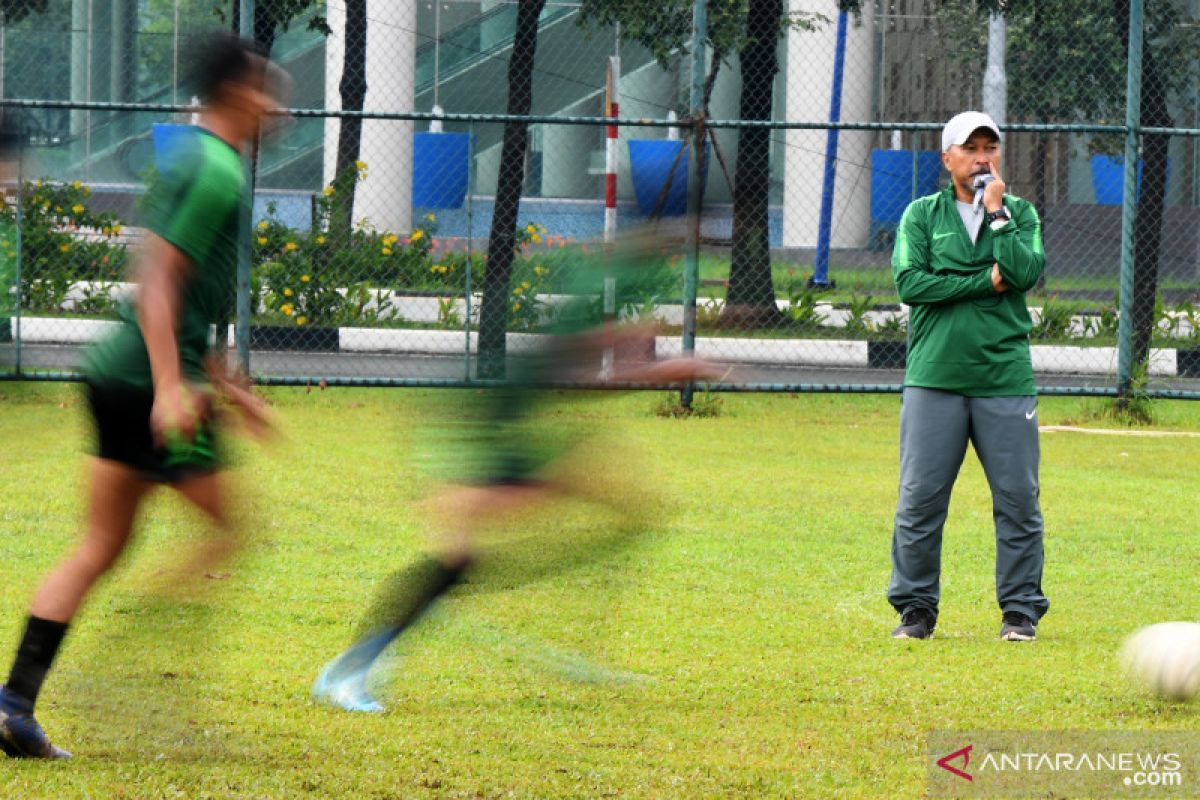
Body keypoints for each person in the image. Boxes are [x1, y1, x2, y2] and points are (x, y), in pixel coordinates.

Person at [0, 34, 280, 759]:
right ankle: (126, 680)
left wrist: (229, 387)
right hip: (156, 388)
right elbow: (160, 281)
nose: (276, 105)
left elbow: (182, 290)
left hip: (116, 372)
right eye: (266, 89)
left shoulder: (196, 158)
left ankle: (13, 706)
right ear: (237, 94)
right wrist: (171, 388)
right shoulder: (218, 170)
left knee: (101, 543)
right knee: (228, 533)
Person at [312, 233, 717, 713]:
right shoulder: (590, 304)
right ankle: (351, 671)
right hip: (470, 435)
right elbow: (582, 378)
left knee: (619, 509)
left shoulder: (599, 290)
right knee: (456, 561)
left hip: (500, 436)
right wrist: (661, 373)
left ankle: (574, 642)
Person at [887, 111, 1049, 642]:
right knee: (920, 499)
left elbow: (1025, 272)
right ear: (947, 158)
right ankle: (916, 611)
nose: (982, 158)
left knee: (1018, 500)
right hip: (934, 376)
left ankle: (1020, 612)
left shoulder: (1019, 213)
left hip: (1004, 376)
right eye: (971, 148)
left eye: (990, 148)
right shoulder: (920, 215)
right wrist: (985, 281)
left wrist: (997, 216)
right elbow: (912, 284)